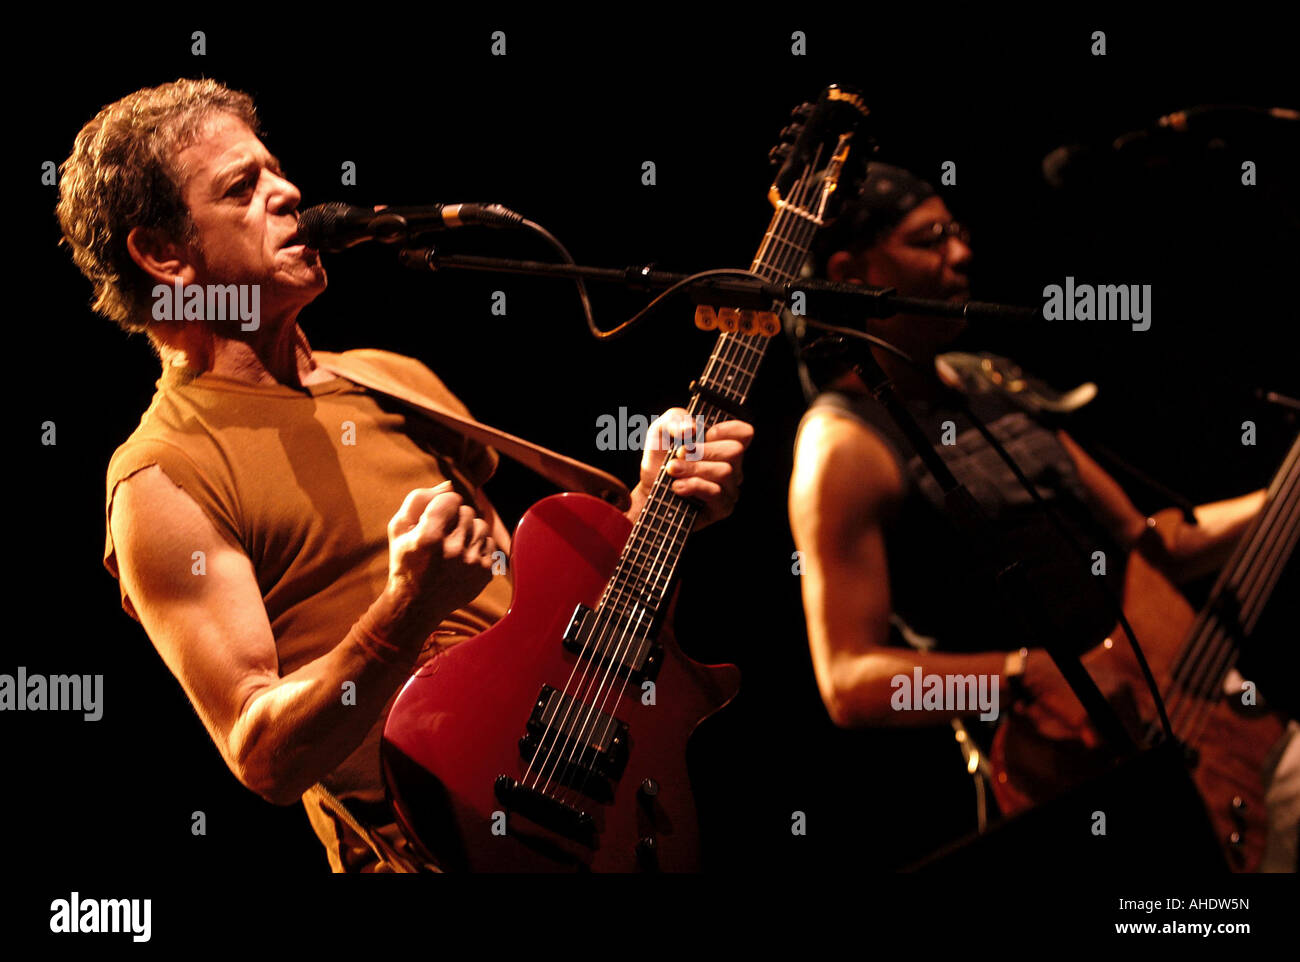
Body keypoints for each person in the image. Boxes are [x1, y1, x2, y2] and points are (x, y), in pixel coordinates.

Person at [58, 78, 751, 872]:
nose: (288, 194)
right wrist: (404, 612)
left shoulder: (387, 378)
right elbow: (261, 755)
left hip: (594, 819)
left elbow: (546, 624)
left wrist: (658, 502)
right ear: (162, 254)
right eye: (243, 188)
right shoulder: (162, 474)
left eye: (277, 172)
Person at [786, 162, 1284, 864]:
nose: (960, 254)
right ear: (854, 269)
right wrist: (1025, 672)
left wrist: (1282, 499)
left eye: (957, 233)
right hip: (1082, 778)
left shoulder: (988, 381)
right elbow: (847, 679)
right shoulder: (843, 446)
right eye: (929, 239)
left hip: (1210, 722)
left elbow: (1149, 544)